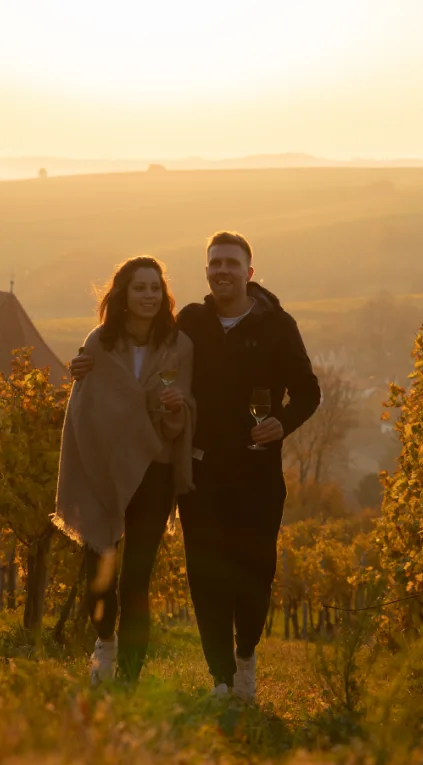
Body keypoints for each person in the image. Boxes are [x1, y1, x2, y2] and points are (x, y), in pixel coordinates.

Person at [71, 232, 320, 701]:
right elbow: (133, 354)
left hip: (257, 474)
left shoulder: (278, 326)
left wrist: (281, 424)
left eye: (231, 263)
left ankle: (246, 656)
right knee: (205, 578)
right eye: (214, 264)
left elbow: (308, 391)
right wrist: (87, 365)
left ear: (249, 272)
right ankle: (223, 679)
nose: (221, 271)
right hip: (199, 474)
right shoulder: (192, 322)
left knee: (255, 572)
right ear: (206, 272)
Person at [54, 255, 195, 685]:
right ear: (123, 296)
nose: (149, 295)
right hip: (104, 466)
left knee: (136, 577)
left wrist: (175, 410)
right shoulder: (99, 343)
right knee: (100, 566)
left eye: (156, 288)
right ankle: (105, 645)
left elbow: (181, 410)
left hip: (153, 468)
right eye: (140, 288)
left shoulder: (178, 346)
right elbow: (86, 405)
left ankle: (130, 676)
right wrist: (76, 379)